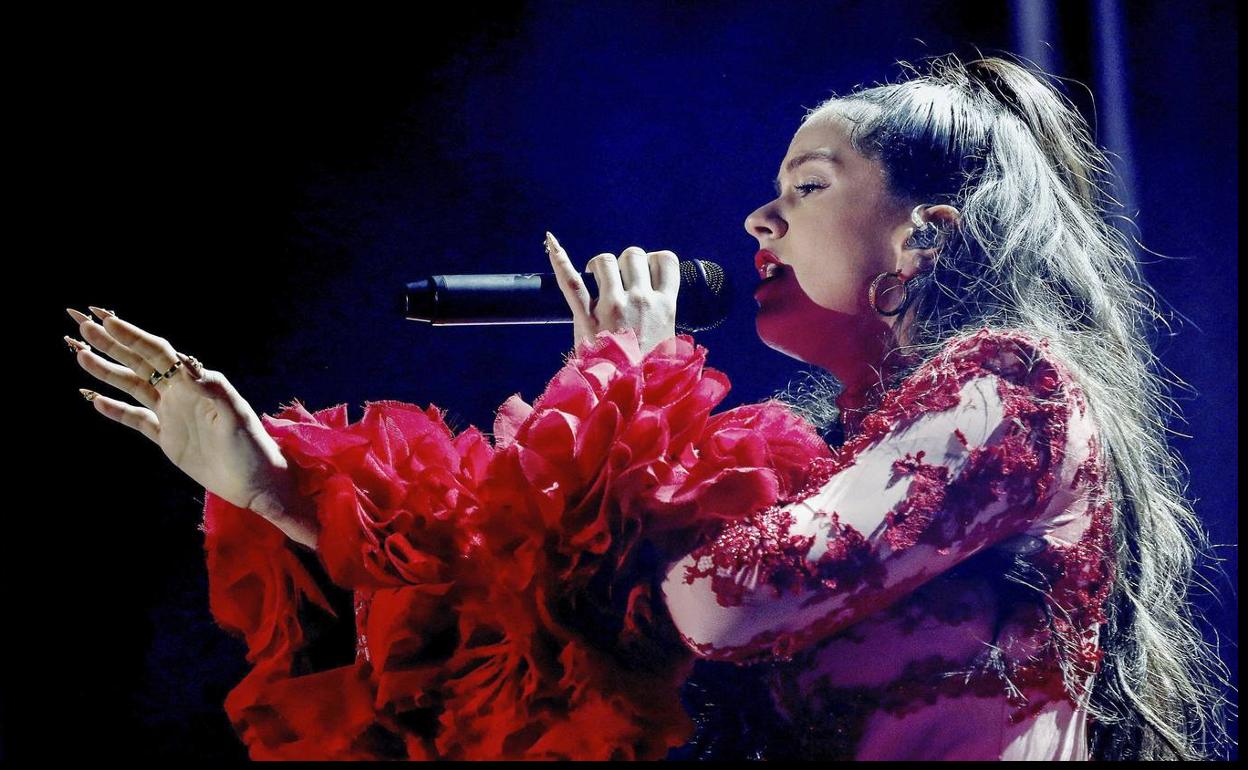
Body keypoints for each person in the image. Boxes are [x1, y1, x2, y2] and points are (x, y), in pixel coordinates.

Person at [64, 54, 1230, 760]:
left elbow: (720, 601)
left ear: (927, 233)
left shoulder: (1013, 385)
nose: (757, 224)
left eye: (806, 189)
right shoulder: (853, 461)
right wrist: (278, 488)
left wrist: (625, 374)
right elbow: (580, 631)